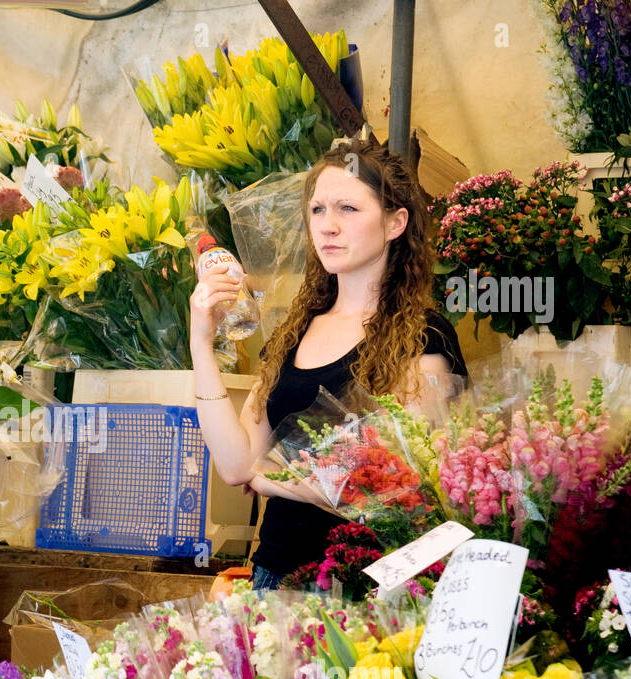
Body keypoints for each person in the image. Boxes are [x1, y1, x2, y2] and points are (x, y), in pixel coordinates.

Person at [189, 137, 468, 590]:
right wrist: (201, 343)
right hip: (275, 578)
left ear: (396, 222)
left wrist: (267, 479)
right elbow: (236, 463)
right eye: (318, 210)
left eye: (348, 209)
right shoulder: (293, 332)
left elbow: (395, 490)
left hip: (368, 585)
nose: (328, 226)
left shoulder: (423, 337)